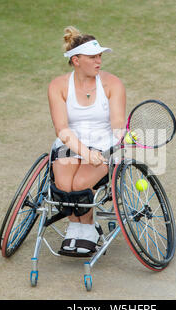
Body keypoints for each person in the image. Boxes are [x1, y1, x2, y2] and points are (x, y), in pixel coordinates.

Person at [47, 26, 126, 254]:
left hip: (103, 144)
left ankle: (88, 228)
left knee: (80, 185)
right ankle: (75, 228)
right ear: (76, 60)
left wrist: (114, 144)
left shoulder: (113, 84)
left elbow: (117, 124)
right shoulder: (58, 86)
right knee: (63, 187)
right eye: (92, 57)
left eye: (100, 56)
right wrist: (84, 152)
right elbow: (62, 129)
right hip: (70, 143)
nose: (99, 61)